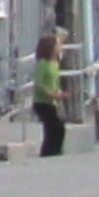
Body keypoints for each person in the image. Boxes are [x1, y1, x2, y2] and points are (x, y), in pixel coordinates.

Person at [30, 31, 67, 160]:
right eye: (57, 45)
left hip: (51, 101)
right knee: (56, 127)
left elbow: (54, 82)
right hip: (42, 102)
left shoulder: (55, 64)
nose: (59, 47)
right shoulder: (42, 63)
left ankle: (54, 152)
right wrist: (51, 94)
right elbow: (39, 84)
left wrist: (59, 93)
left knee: (55, 128)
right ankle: (49, 153)